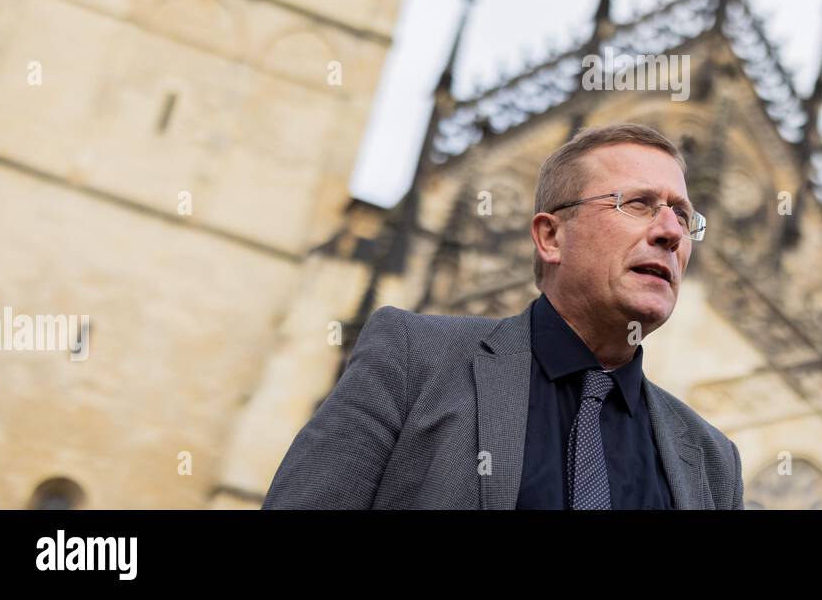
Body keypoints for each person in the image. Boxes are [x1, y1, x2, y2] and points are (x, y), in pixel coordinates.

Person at [262, 122, 743, 509]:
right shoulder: (414, 358)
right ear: (550, 237)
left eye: (683, 216)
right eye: (638, 204)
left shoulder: (712, 460)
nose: (670, 232)